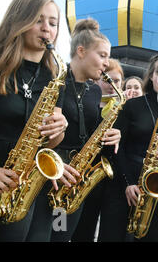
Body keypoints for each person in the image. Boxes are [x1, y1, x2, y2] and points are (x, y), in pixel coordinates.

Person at [26, 18, 121, 242]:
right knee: (39, 236)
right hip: (49, 173)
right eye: (102, 55)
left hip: (73, 181)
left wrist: (113, 133)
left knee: (60, 235)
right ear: (81, 51)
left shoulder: (94, 92)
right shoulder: (54, 80)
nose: (106, 63)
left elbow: (90, 133)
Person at [0, 0, 68, 241]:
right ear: (19, 21)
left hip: (17, 190)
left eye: (53, 23)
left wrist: (59, 129)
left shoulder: (55, 77)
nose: (47, 28)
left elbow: (50, 142)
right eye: (38, 20)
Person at [98, 53, 158, 242]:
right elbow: (114, 147)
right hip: (124, 185)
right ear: (151, 77)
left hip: (157, 189)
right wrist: (127, 183)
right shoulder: (132, 106)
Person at [71, 58, 124, 242]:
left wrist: (120, 136)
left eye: (117, 81)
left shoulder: (120, 110)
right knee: (61, 224)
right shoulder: (84, 101)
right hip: (76, 171)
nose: (111, 84)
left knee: (88, 228)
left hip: (100, 179)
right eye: (106, 78)